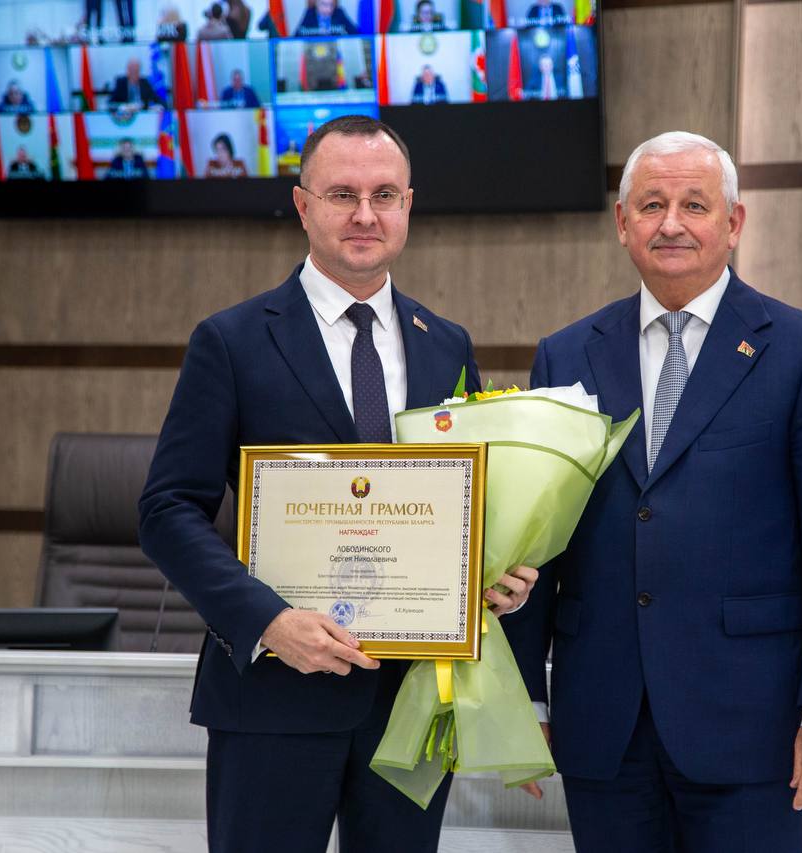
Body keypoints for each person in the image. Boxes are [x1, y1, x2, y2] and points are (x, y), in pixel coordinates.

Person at [138, 115, 539, 853]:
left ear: (408, 205)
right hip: (274, 697)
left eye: (384, 195)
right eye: (342, 194)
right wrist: (267, 622)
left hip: (412, 704)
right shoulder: (231, 341)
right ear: (303, 205)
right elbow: (167, 510)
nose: (364, 214)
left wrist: (495, 572)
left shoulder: (446, 344)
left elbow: (462, 507)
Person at [502, 131, 802, 852]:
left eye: (694, 205)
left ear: (733, 223)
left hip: (753, 731)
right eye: (651, 205)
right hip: (603, 725)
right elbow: (535, 540)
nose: (670, 223)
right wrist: (526, 696)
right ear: (623, 224)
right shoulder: (566, 354)